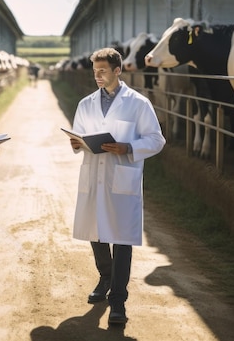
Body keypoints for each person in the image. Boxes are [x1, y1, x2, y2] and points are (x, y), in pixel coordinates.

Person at [68, 47, 165, 325]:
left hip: (122, 176)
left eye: (103, 71)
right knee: (95, 232)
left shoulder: (138, 103)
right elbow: (78, 136)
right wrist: (77, 143)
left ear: (117, 70)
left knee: (122, 240)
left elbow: (157, 140)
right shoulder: (86, 104)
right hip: (94, 174)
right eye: (95, 71)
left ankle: (118, 302)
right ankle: (105, 277)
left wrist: (129, 147)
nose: (97, 76)